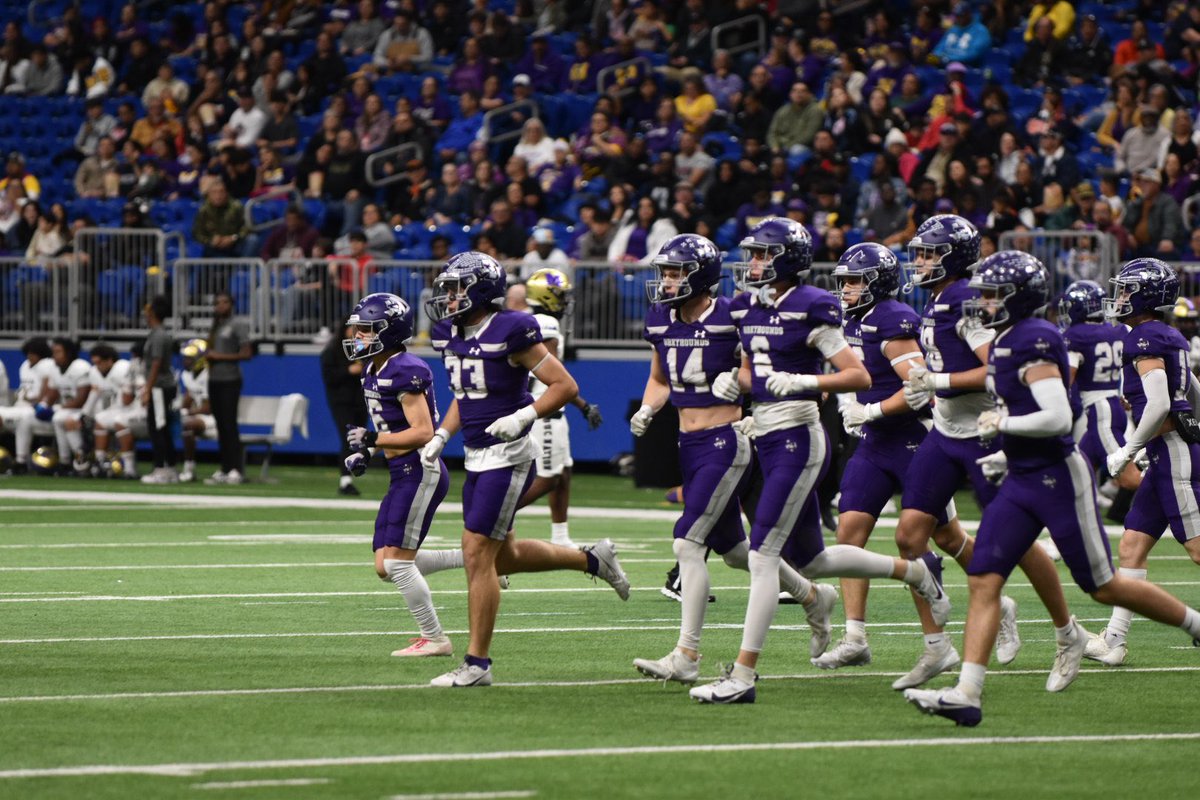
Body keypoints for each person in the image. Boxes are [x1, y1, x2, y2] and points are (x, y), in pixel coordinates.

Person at [904, 253, 1200, 727]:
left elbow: (1058, 417)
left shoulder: (1036, 338)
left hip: (1059, 478)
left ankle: (1194, 624)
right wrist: (1004, 446)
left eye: (992, 294)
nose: (982, 302)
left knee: (1103, 587)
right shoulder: (1002, 340)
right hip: (1022, 476)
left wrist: (1003, 423)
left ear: (1017, 298)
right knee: (984, 578)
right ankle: (967, 692)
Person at [687, 218, 949, 704]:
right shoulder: (745, 304)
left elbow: (854, 376)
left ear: (787, 258)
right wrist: (733, 383)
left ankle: (742, 676)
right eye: (754, 254)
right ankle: (914, 572)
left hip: (800, 435)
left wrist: (805, 384)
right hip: (766, 429)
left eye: (764, 255)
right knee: (812, 558)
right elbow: (751, 371)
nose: (755, 264)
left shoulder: (815, 305)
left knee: (764, 555)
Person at [627, 233, 834, 685]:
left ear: (699, 276)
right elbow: (659, 377)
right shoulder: (660, 318)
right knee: (735, 551)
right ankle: (811, 595)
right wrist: (648, 407)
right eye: (664, 272)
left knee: (686, 543)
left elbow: (759, 363)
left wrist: (739, 383)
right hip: (688, 442)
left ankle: (687, 654)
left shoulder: (733, 314)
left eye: (675, 272)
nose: (665, 281)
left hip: (728, 439)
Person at [422, 252, 630, 687]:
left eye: (458, 287)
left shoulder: (511, 329)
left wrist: (524, 416)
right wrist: (442, 435)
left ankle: (477, 663)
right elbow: (467, 394)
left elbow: (564, 385)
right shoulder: (453, 334)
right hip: (478, 453)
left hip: (511, 453)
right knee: (505, 555)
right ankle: (593, 560)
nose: (450, 296)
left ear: (481, 290)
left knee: (477, 553)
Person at [895, 215, 1078, 690]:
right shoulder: (939, 298)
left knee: (1018, 543)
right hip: (944, 431)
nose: (920, 261)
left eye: (929, 253)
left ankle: (1067, 631)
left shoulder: (965, 300)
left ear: (953, 255)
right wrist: (928, 391)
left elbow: (991, 368)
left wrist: (939, 383)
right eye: (919, 252)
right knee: (910, 538)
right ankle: (937, 645)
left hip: (984, 434)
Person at [813, 243, 955, 670]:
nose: (847, 289)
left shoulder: (892, 319)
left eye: (856, 280)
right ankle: (855, 635)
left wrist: (870, 408)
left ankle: (985, 616)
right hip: (875, 442)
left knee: (940, 540)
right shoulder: (850, 319)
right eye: (845, 281)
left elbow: (917, 389)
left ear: (877, 283)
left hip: (914, 439)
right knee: (849, 533)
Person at [1085, 260, 1200, 667]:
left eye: (1127, 290)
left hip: (1172, 451)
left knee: (1198, 548)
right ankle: (1115, 640)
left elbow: (1162, 404)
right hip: (1167, 451)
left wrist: (1126, 449)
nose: (1119, 297)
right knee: (1132, 545)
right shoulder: (1167, 335)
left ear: (1148, 295)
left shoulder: (1145, 337)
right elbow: (1192, 391)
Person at [343, 292, 465, 657]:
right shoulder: (373, 368)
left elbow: (424, 431)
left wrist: (374, 439)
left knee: (397, 561)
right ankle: (479, 558)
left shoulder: (405, 368)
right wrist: (369, 450)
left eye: (365, 330)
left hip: (420, 470)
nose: (357, 337)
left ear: (389, 331)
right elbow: (390, 425)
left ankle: (436, 638)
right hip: (401, 470)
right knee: (385, 565)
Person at [514, 268, 603, 548]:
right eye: (562, 296)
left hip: (550, 410)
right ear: (549, 296)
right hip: (546, 413)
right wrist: (583, 405)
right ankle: (496, 519)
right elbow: (551, 377)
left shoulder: (535, 321)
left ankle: (561, 537)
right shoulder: (545, 325)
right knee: (548, 478)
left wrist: (581, 405)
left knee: (563, 474)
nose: (566, 302)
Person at [1058, 281, 1140, 523]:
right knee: (1078, 475)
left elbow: (1066, 379)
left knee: (1129, 478)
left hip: (1100, 410)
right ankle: (1065, 538)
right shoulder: (1118, 330)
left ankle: (1174, 494)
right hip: (1107, 406)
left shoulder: (1076, 336)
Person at [204, 291, 252, 485]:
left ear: (231, 304)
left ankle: (236, 468)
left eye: (224, 302)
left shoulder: (237, 324)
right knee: (220, 426)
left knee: (230, 424)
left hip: (230, 379)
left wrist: (220, 357)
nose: (220, 306)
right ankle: (225, 467)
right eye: (217, 303)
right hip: (214, 378)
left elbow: (247, 353)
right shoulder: (216, 326)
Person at [322, 322, 369, 496]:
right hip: (342, 401)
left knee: (359, 440)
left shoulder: (363, 349)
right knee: (348, 437)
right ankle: (345, 480)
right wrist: (349, 371)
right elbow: (329, 377)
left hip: (360, 400)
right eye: (352, 328)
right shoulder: (332, 351)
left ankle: (352, 472)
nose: (355, 332)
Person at [139, 296, 179, 485]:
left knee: (158, 428)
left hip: (159, 387)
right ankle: (169, 467)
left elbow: (156, 363)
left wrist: (148, 388)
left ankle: (161, 468)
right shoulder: (157, 334)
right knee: (161, 428)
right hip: (160, 387)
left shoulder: (159, 335)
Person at [0, 338, 55, 473]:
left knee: (19, 419)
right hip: (20, 405)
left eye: (33, 353)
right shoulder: (25, 365)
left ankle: (20, 461)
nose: (30, 356)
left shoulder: (47, 365)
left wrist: (33, 400)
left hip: (34, 408)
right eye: (28, 353)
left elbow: (45, 394)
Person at [46, 338, 95, 473]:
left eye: (58, 352)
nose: (54, 356)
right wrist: (44, 406)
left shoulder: (80, 366)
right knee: (58, 418)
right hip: (68, 409)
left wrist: (59, 407)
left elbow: (81, 399)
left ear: (68, 353)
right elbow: (52, 394)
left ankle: (81, 458)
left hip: (86, 409)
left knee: (63, 418)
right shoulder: (54, 368)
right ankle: (65, 460)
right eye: (53, 352)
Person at [177, 338, 214, 484]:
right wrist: (180, 409)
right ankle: (167, 466)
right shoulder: (187, 374)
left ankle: (189, 468)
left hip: (214, 418)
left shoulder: (209, 375)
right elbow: (189, 397)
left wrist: (188, 413)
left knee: (188, 425)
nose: (186, 361)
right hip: (200, 416)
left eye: (189, 358)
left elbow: (208, 407)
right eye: (185, 358)